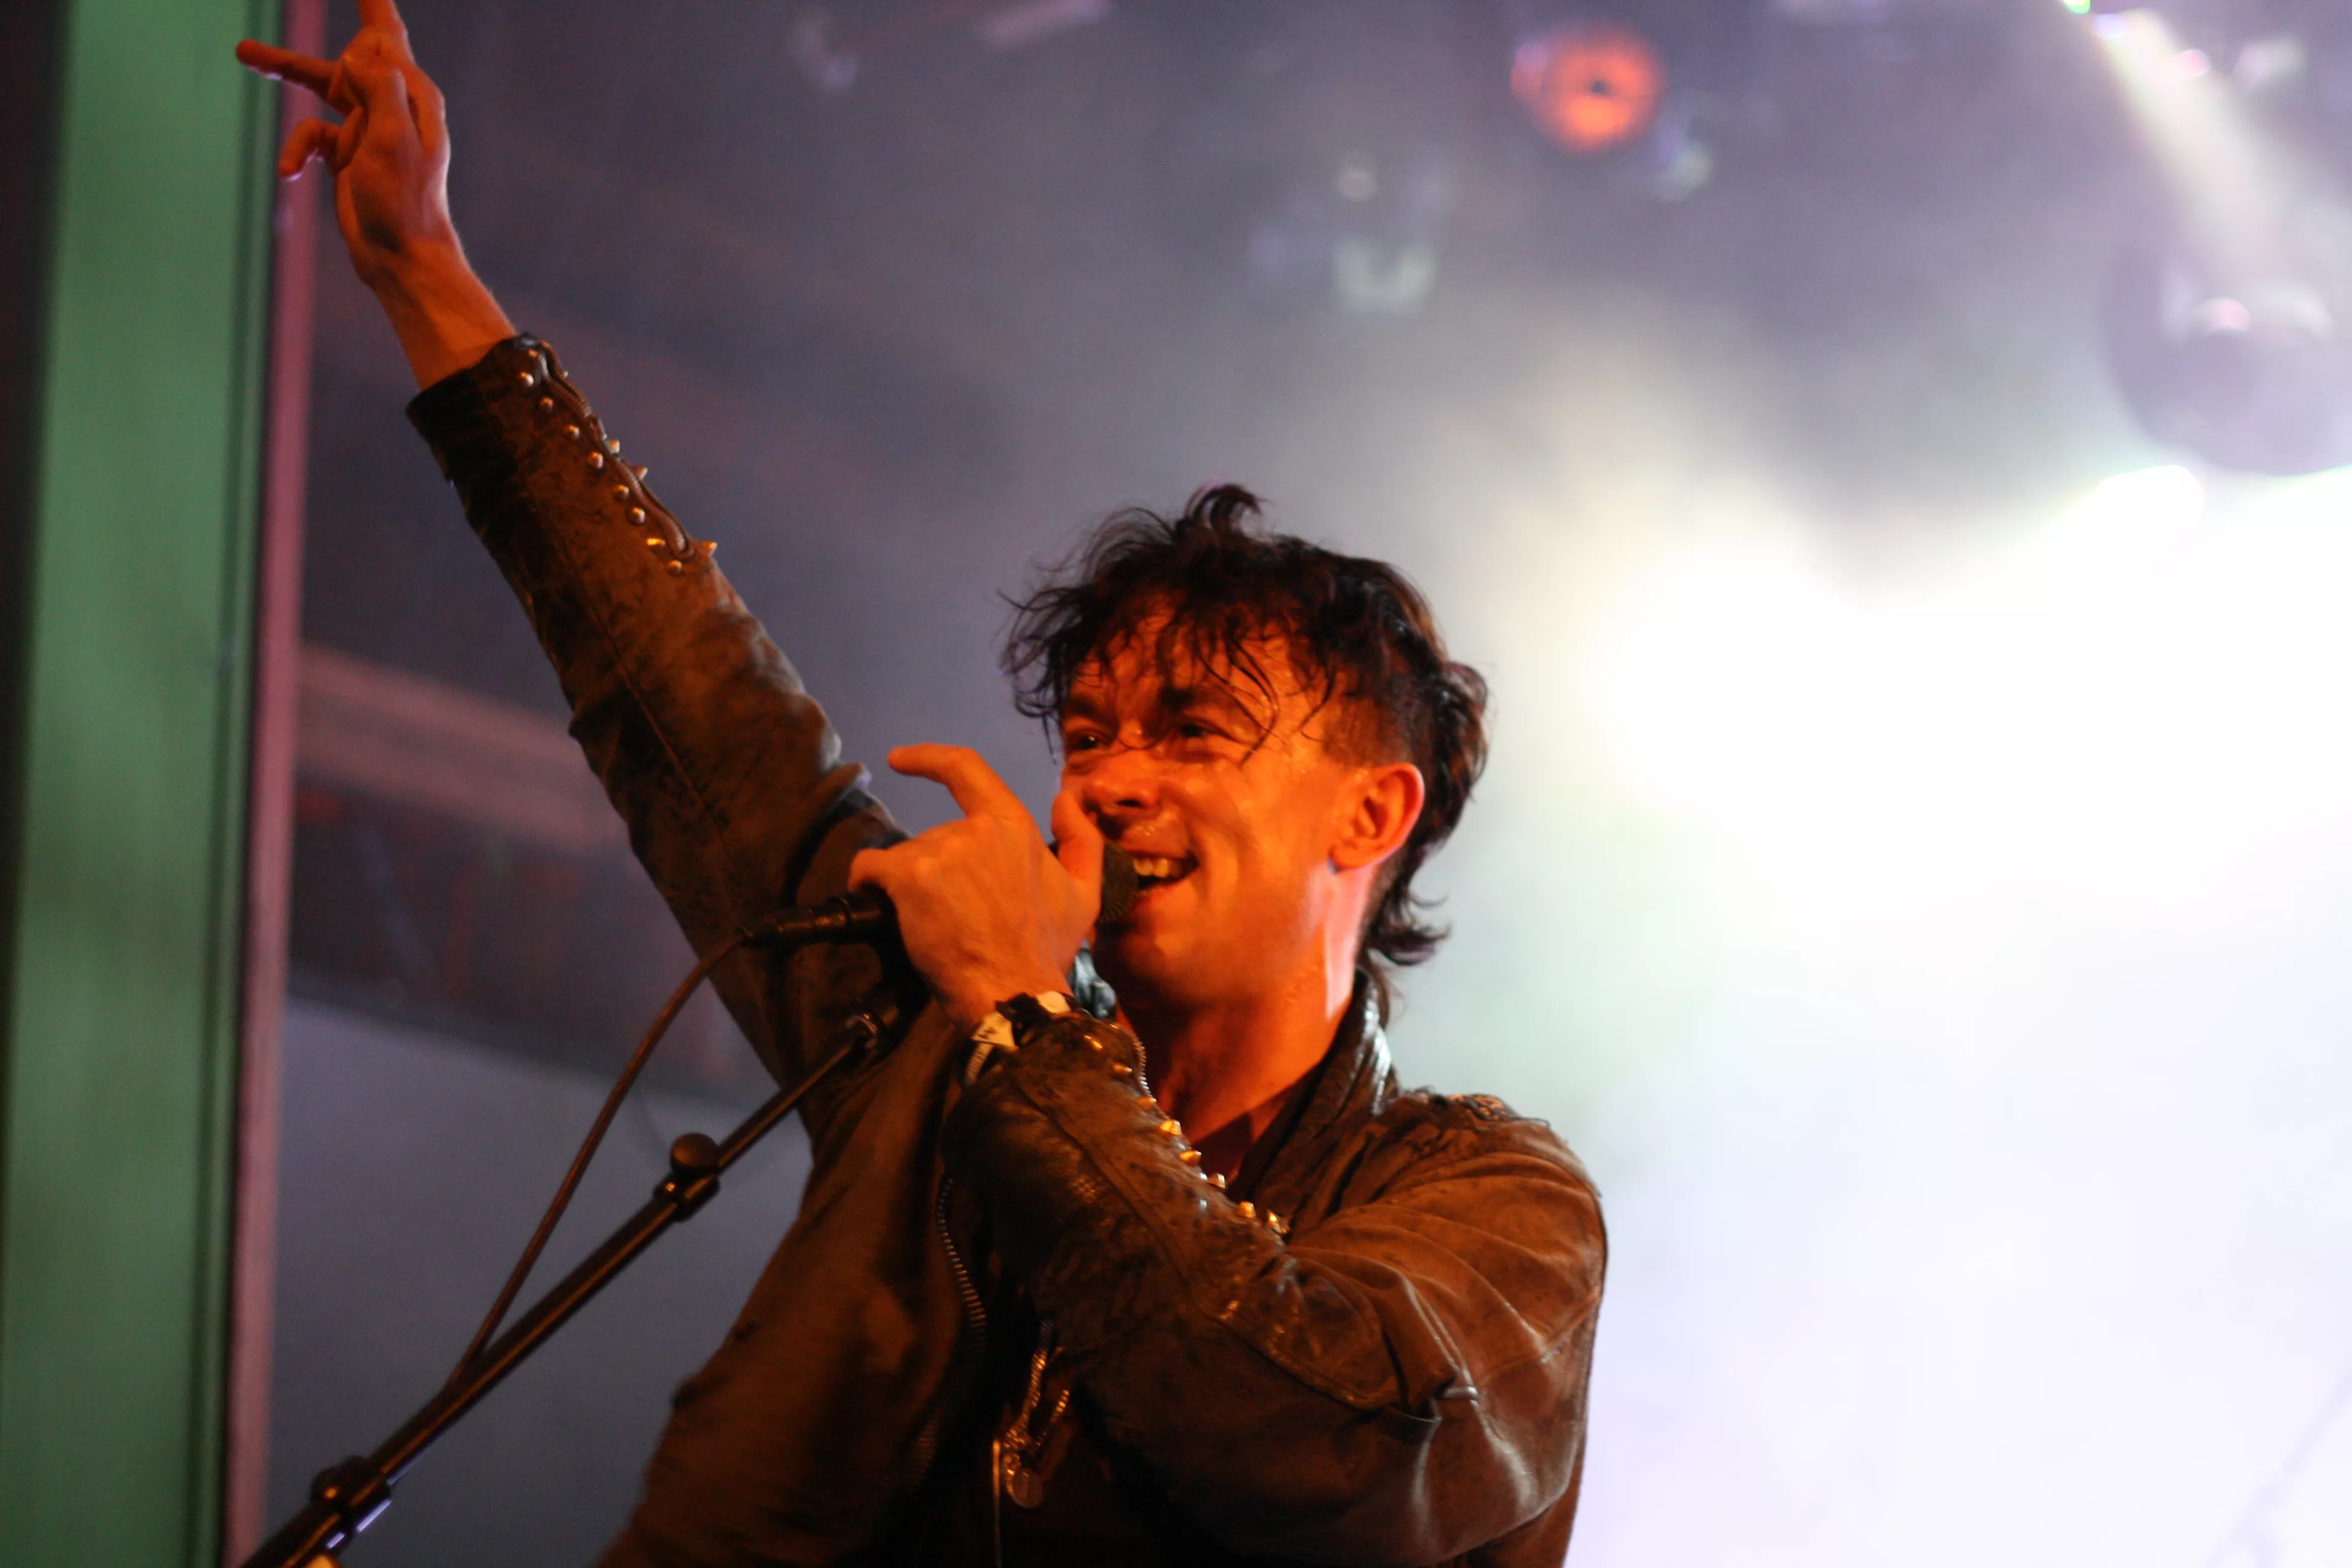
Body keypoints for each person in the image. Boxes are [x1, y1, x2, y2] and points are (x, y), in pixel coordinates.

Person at [238, 6, 1606, 1564]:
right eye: (1088, 734)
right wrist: (424, 271)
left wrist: (1028, 1023)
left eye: (1193, 730)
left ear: (1373, 813)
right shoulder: (948, 1049)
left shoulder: (1492, 1203)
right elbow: (698, 713)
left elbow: (1310, 1444)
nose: (1113, 782)